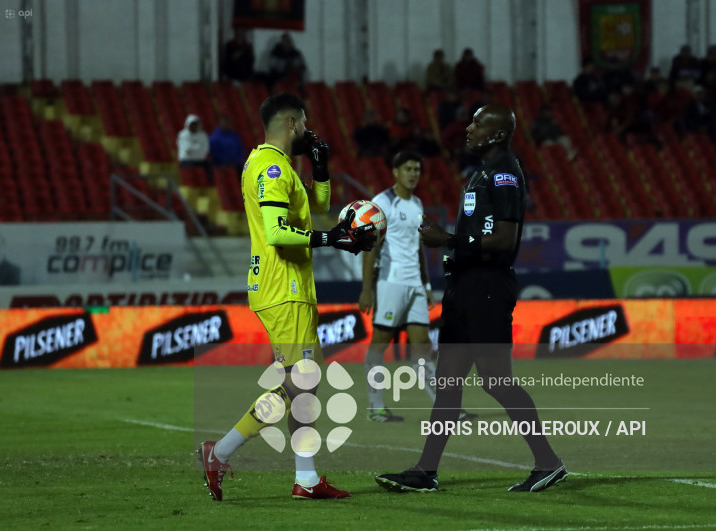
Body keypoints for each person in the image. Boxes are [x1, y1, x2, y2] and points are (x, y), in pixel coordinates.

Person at [375, 103, 566, 494]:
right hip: (465, 287)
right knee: (447, 385)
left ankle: (548, 462)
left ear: (497, 134)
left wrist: (448, 239)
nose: (469, 128)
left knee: (497, 381)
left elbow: (506, 240)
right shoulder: (482, 173)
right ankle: (426, 471)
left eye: (478, 123)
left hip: (488, 287)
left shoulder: (505, 175)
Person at [198, 93, 375, 501]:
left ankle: (307, 479)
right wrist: (330, 239)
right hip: (285, 286)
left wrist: (321, 168)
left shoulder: (270, 165)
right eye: (306, 125)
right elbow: (278, 233)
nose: (310, 133)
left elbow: (320, 205)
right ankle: (220, 452)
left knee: (304, 387)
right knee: (300, 386)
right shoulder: (273, 166)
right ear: (292, 123)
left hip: (288, 286)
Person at [359, 150, 437, 421]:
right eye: (408, 169)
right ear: (395, 172)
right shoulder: (381, 203)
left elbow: (418, 250)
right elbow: (370, 248)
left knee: (423, 345)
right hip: (390, 283)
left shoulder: (417, 204)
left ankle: (444, 408)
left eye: (417, 169)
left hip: (415, 284)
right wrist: (367, 289)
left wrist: (426, 284)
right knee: (380, 343)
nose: (413, 174)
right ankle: (375, 406)